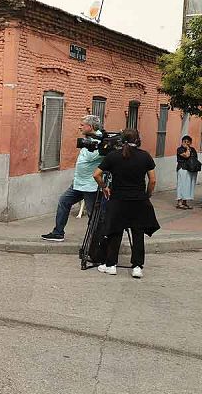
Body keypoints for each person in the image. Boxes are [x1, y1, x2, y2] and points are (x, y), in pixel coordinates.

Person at [92, 129, 159, 279]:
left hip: (118, 200)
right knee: (137, 233)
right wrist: (147, 195)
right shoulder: (145, 156)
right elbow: (153, 180)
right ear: (138, 140)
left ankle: (111, 265)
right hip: (138, 201)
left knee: (115, 231)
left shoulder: (113, 156)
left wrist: (104, 187)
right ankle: (137, 267)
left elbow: (96, 174)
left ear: (122, 140)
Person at [42, 115, 103, 242]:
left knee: (93, 214)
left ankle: (95, 241)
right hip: (79, 183)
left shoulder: (100, 142)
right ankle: (58, 233)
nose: (79, 127)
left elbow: (90, 158)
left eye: (82, 125)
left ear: (90, 127)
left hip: (91, 185)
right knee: (64, 201)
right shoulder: (89, 139)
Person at [176, 135, 198, 209]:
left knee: (187, 186)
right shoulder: (180, 149)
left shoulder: (193, 149)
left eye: (188, 142)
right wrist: (187, 148)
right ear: (182, 142)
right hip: (182, 168)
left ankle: (185, 202)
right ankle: (179, 203)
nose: (186, 143)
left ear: (190, 142)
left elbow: (195, 158)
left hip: (190, 169)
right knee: (181, 185)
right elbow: (187, 156)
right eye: (184, 141)